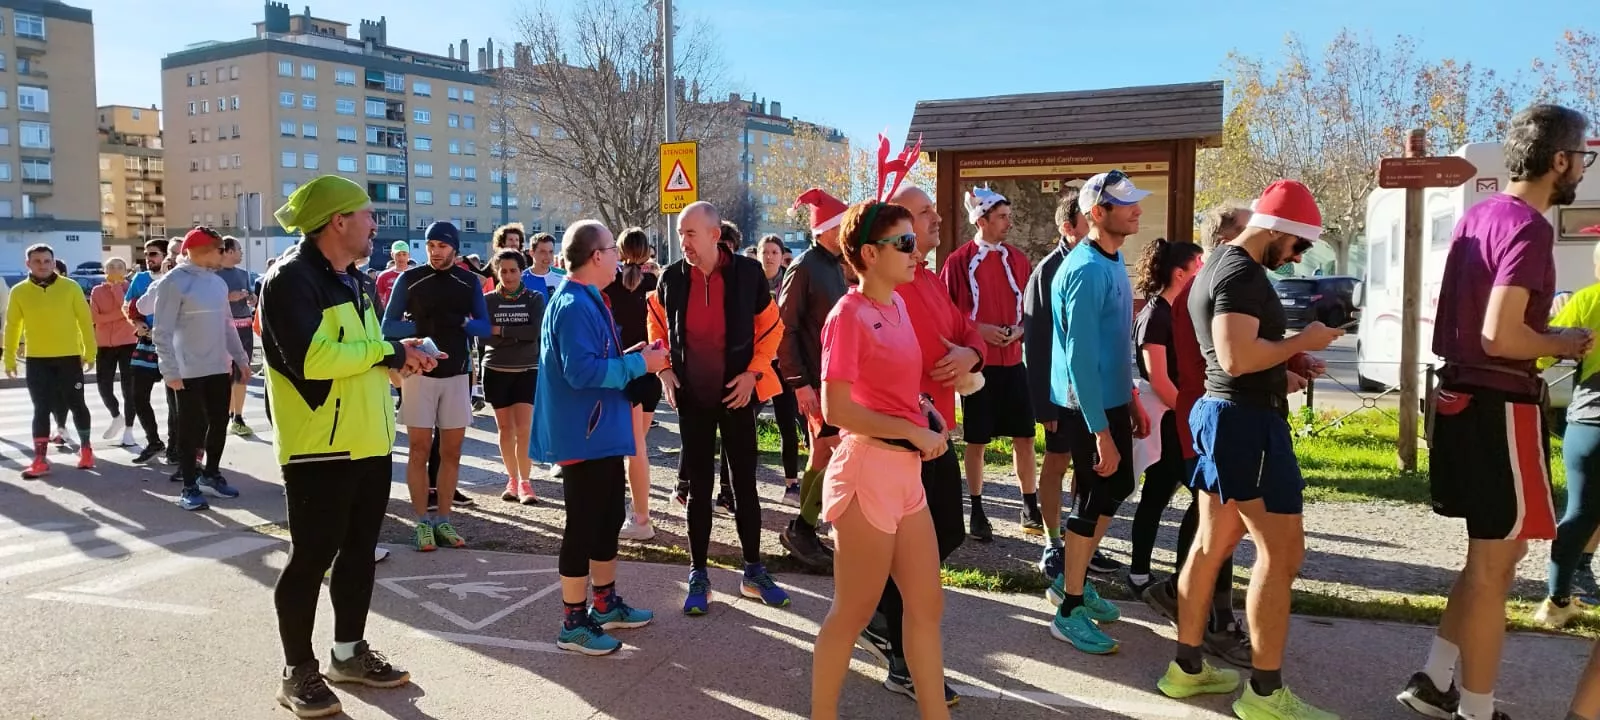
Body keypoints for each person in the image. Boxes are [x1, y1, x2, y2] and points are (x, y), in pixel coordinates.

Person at [1398, 104, 1594, 720]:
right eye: (1582, 155)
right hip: (1499, 406)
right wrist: (1561, 341)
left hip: (1461, 403)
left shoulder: (1478, 215)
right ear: (1558, 160)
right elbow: (1500, 335)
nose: (1583, 167)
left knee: (1492, 557)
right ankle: (1476, 711)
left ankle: (1436, 681)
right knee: (1494, 569)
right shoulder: (1530, 228)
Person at [1160, 179, 1343, 718]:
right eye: (1298, 244)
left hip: (1224, 417)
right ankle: (1265, 694)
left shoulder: (1216, 265)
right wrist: (1301, 343)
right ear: (1278, 229)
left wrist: (1291, 362)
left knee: (1210, 545)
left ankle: (1186, 669)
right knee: (1281, 553)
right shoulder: (1241, 273)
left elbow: (1231, 357)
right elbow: (1237, 358)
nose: (1299, 255)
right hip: (1246, 425)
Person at [263, 175, 423, 717]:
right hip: (319, 449)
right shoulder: (289, 279)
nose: (376, 225)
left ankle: (348, 654)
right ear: (338, 221)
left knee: (359, 554)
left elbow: (364, 354)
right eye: (368, 215)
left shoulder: (353, 279)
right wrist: (386, 349)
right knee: (311, 558)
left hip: (369, 441)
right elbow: (312, 359)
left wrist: (399, 359)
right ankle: (296, 670)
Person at [809, 199, 950, 720]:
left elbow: (892, 390)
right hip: (867, 472)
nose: (917, 253)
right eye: (906, 243)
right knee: (852, 614)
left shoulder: (898, 307)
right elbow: (837, 408)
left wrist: (926, 413)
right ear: (870, 253)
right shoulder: (847, 315)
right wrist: (912, 430)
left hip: (904, 475)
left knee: (927, 606)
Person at [862, 181, 980, 705]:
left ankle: (876, 617)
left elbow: (967, 332)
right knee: (917, 554)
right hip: (901, 440)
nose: (935, 220)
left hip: (936, 435)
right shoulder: (882, 290)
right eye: (922, 213)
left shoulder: (928, 280)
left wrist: (970, 357)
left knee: (948, 533)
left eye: (933, 212)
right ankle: (904, 662)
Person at [532, 219, 665, 656]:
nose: (620, 256)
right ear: (596, 256)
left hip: (600, 430)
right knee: (583, 525)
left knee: (607, 519)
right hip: (583, 433)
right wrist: (637, 367)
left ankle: (604, 603)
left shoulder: (590, 299)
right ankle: (573, 622)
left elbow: (597, 360)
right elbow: (581, 371)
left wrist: (634, 357)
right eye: (612, 248)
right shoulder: (572, 304)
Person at [649, 201, 790, 614]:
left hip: (737, 397)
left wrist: (754, 374)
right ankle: (698, 574)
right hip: (692, 399)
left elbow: (772, 329)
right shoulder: (672, 278)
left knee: (745, 486)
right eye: (680, 236)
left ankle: (753, 571)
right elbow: (656, 322)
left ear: (714, 235)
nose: (683, 243)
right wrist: (665, 370)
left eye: (690, 234)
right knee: (698, 490)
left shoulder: (747, 275)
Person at [1141, 202, 1256, 668]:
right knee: (1221, 521)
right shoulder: (1205, 292)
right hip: (1206, 419)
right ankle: (1213, 620)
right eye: (1251, 230)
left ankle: (1179, 593)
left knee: (1217, 518)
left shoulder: (1217, 287)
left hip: (1214, 417)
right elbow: (1216, 365)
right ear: (1227, 238)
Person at [1047, 171, 1153, 654]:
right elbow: (1078, 361)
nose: (1136, 210)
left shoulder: (1111, 261)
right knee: (1091, 501)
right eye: (1124, 204)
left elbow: (1113, 345)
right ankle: (1068, 607)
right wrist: (1101, 433)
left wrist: (1128, 397)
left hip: (1110, 401)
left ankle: (1075, 579)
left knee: (1119, 485)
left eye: (1135, 202)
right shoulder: (1086, 270)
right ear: (1097, 213)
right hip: (1086, 406)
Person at [1022, 187, 1122, 582]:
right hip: (1061, 397)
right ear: (1069, 227)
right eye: (1088, 221)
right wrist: (1044, 406)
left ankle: (1081, 540)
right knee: (1058, 463)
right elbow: (1037, 342)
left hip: (1094, 397)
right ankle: (1052, 542)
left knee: (1092, 470)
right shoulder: (1048, 272)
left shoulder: (1101, 261)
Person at [382, 221, 491, 551]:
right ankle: (421, 522)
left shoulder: (468, 280)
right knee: (418, 449)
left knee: (451, 451)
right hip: (419, 373)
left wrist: (462, 323)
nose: (435, 251)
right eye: (430, 245)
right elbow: (388, 325)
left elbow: (484, 325)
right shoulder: (410, 278)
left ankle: (444, 518)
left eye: (442, 246)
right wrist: (422, 325)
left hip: (457, 373)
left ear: (454, 248)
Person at [940, 186, 1035, 541]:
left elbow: (1030, 309)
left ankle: (1030, 503)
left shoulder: (1018, 259)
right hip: (978, 369)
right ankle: (977, 509)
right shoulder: (958, 261)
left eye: (1009, 217)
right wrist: (980, 330)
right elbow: (946, 314)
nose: (1008, 223)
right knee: (977, 440)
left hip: (1013, 362)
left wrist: (1018, 330)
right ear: (981, 220)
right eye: (1002, 217)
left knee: (1024, 435)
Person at [1126, 239, 1205, 602]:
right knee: (1166, 496)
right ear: (1179, 274)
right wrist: (1193, 415)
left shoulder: (1178, 311)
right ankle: (1146, 575)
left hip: (1179, 420)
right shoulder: (1155, 315)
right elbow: (1158, 379)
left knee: (1177, 497)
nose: (1203, 274)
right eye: (1198, 268)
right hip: (1168, 422)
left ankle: (1168, 574)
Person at [151, 226, 252, 511]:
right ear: (200, 251)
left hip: (218, 366)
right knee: (190, 428)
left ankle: (212, 473)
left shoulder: (217, 283)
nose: (224, 254)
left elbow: (227, 325)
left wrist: (241, 360)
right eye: (220, 249)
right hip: (187, 370)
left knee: (219, 422)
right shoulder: (174, 282)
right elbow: (162, 331)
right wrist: (169, 370)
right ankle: (190, 485)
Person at [779, 187, 852, 569]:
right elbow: (784, 328)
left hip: (832, 379)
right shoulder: (804, 267)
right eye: (840, 226)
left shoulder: (833, 267)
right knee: (835, 451)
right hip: (815, 381)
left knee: (824, 453)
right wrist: (799, 382)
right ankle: (804, 527)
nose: (845, 233)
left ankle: (803, 529)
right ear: (824, 229)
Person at [4, 243, 95, 479]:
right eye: (37, 261)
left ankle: (86, 449)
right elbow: (13, 325)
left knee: (77, 404)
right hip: (37, 360)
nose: (43, 265)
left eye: (47, 261)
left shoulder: (71, 287)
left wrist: (90, 351)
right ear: (28, 264)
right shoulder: (19, 291)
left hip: (68, 357)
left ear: (54, 263)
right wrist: (9, 357)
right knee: (41, 408)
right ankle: (40, 459)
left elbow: (85, 321)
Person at [604, 227, 662, 541]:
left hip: (620, 369)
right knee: (637, 446)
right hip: (649, 371)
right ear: (648, 252)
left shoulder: (609, 285)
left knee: (627, 449)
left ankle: (640, 518)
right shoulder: (655, 284)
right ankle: (639, 514)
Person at [483, 248, 545, 506]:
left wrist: (502, 330)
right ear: (497, 272)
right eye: (503, 271)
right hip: (496, 370)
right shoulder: (487, 300)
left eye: (513, 271)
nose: (508, 276)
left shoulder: (534, 298)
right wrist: (515, 333)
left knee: (524, 429)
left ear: (522, 271)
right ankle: (511, 479)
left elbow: (535, 331)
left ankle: (526, 482)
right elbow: (484, 335)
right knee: (505, 429)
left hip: (528, 369)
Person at [760, 233, 804, 504]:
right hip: (758, 362)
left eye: (774, 252)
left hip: (783, 362)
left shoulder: (789, 282)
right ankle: (732, 487)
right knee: (743, 421)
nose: (769, 257)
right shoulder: (751, 281)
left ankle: (791, 484)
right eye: (765, 252)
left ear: (781, 255)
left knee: (787, 422)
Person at [126, 238, 176, 464]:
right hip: (146, 344)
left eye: (153, 254)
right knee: (137, 395)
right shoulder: (140, 278)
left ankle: (175, 447)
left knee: (175, 402)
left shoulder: (178, 278)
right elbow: (128, 306)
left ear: (166, 257)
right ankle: (154, 441)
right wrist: (136, 323)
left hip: (173, 345)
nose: (148, 259)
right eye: (146, 254)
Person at [89, 257, 139, 448]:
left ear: (126, 271)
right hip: (104, 345)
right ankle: (116, 416)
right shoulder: (97, 290)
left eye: (120, 267)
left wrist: (118, 289)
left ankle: (128, 430)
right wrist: (119, 315)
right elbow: (95, 318)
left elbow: (128, 310)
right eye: (111, 266)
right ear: (104, 269)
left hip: (128, 343)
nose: (115, 270)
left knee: (129, 389)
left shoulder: (130, 288)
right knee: (104, 387)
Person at [217, 236, 258, 436]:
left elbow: (252, 297)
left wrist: (251, 298)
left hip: (245, 328)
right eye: (239, 249)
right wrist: (228, 297)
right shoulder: (212, 274)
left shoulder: (244, 274)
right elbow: (206, 300)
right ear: (229, 251)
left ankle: (238, 416)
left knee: (242, 373)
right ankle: (223, 414)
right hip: (222, 329)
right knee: (224, 375)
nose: (242, 253)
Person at [522, 232, 568, 300]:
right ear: (531, 253)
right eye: (543, 252)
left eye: (551, 252)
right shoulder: (521, 279)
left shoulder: (564, 276)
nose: (548, 256)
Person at [376, 241, 411, 309]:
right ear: (392, 255)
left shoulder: (416, 274)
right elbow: (378, 299)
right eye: (398, 254)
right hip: (391, 317)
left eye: (404, 254)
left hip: (413, 316)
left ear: (409, 255)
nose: (401, 257)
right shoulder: (383, 276)